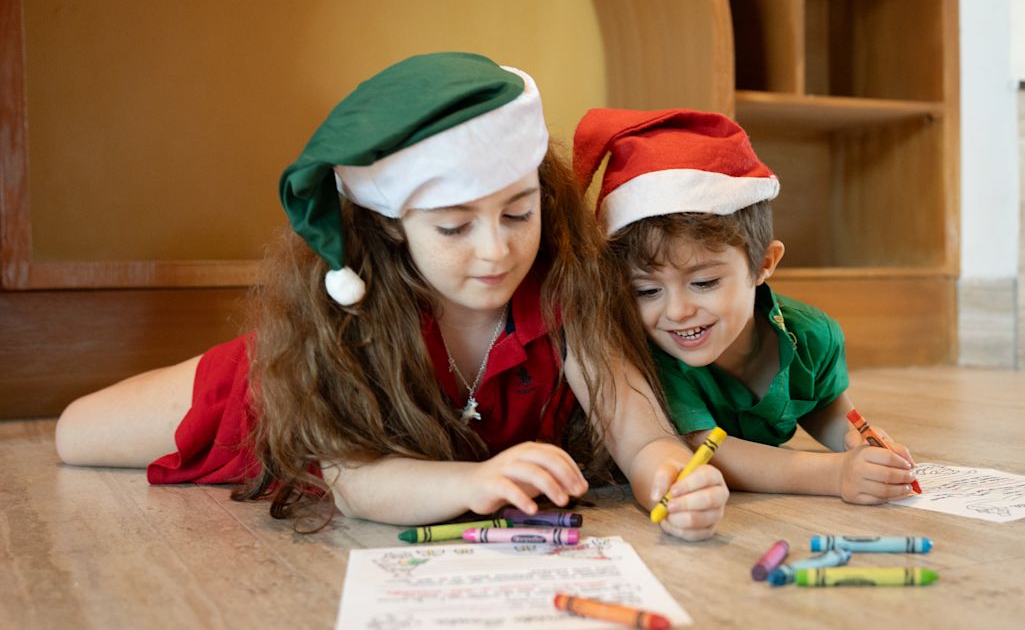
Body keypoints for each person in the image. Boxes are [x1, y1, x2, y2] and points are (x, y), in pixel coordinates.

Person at [55, 53, 728, 540]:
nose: (496, 250)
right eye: (454, 227)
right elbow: (355, 481)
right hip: (286, 399)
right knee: (75, 433)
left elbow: (643, 436)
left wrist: (672, 476)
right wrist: (474, 481)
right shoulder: (351, 313)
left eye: (519, 213)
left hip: (424, 462)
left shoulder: (565, 290)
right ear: (391, 225)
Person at [573, 107, 917, 504]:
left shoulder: (812, 335)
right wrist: (836, 474)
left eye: (703, 283)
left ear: (764, 263)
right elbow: (705, 452)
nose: (677, 311)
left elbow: (822, 404)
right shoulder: (651, 355)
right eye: (646, 291)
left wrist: (855, 440)